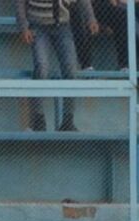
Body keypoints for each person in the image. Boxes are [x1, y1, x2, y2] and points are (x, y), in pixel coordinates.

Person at [17, 0, 98, 131]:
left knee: (70, 70)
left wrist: (91, 18)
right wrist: (23, 27)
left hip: (63, 26)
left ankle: (68, 121)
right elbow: (20, 3)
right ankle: (38, 120)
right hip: (38, 26)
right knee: (41, 67)